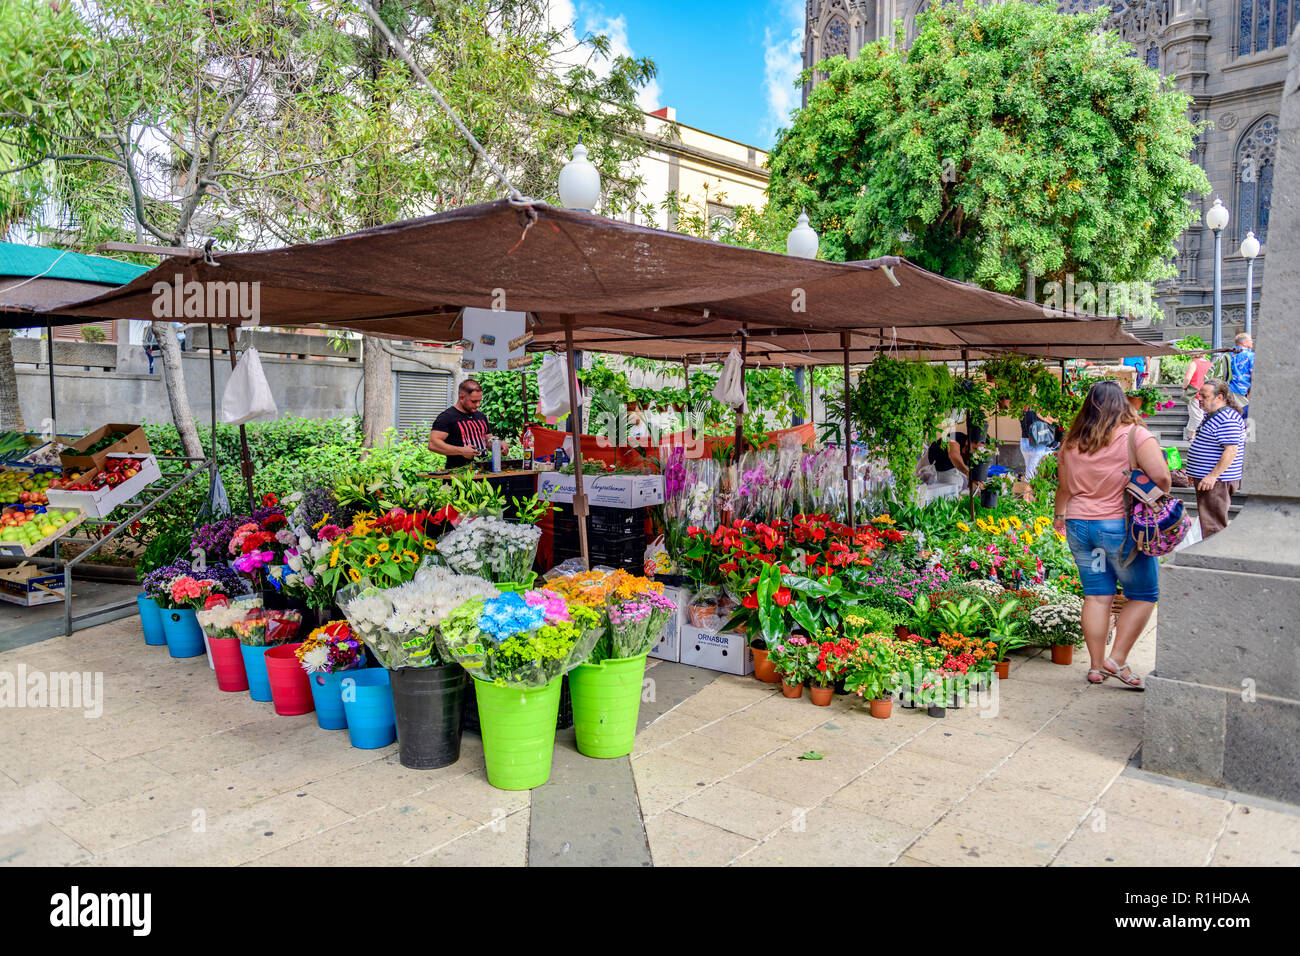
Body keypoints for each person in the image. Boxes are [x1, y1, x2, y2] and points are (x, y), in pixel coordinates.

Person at [1054, 380, 1170, 690]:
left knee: (1096, 595)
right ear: (1123, 404)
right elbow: (1162, 476)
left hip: (1079, 526)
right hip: (1118, 527)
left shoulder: (1070, 442)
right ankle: (1116, 659)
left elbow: (1064, 487)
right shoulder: (1135, 435)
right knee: (1145, 594)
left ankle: (1095, 668)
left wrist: (1058, 516)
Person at [1186, 378, 1245, 539]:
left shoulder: (1227, 418)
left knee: (1213, 524)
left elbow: (1231, 450)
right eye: (1200, 396)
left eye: (1205, 397)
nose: (1200, 400)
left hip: (1217, 482)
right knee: (1209, 521)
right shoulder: (1215, 415)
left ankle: (1212, 557)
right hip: (1209, 479)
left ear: (1219, 397)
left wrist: (1212, 476)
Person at [428, 378, 494, 469]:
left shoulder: (481, 416)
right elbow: (433, 444)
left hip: (483, 472)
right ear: (461, 397)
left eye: (479, 401)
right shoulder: (446, 417)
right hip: (457, 476)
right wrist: (461, 451)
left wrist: (498, 445)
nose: (478, 405)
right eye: (474, 401)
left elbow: (488, 441)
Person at [924, 425, 985, 497]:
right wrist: (968, 474)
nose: (977, 452)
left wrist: (979, 490)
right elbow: (954, 456)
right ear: (968, 442)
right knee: (918, 483)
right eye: (975, 448)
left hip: (949, 468)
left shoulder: (978, 454)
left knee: (955, 487)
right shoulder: (954, 437)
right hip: (930, 460)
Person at [1019, 407, 1056, 480]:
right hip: (1037, 442)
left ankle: (1026, 488)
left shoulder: (1024, 407)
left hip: (1025, 441)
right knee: (1031, 474)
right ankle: (1026, 489)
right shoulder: (1042, 408)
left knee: (1030, 471)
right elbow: (1054, 421)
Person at [1182, 353, 1212, 440]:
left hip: (1194, 391)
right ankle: (1191, 436)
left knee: (1196, 415)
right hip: (1208, 392)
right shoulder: (1210, 364)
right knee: (1195, 414)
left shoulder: (1194, 363)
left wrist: (1184, 387)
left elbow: (1188, 378)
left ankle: (1201, 436)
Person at [1228, 332, 1253, 419]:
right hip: (1244, 390)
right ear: (1244, 343)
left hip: (1230, 388)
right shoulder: (1250, 355)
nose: (1252, 342)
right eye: (1250, 340)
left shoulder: (1229, 354)